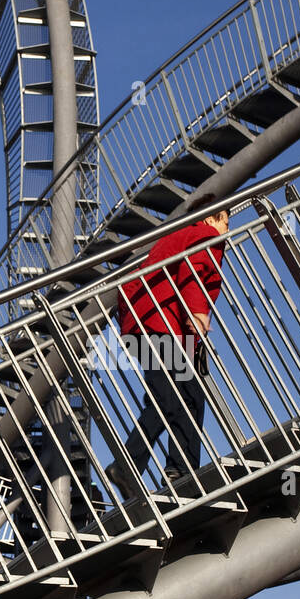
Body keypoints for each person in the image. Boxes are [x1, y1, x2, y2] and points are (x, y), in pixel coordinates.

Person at [104, 198, 229, 498]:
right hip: (164, 327)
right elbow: (194, 271)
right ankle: (173, 470)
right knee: (184, 398)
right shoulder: (205, 236)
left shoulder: (176, 237)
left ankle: (157, 468)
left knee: (171, 398)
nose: (228, 229)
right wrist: (197, 313)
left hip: (141, 326)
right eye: (226, 220)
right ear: (212, 218)